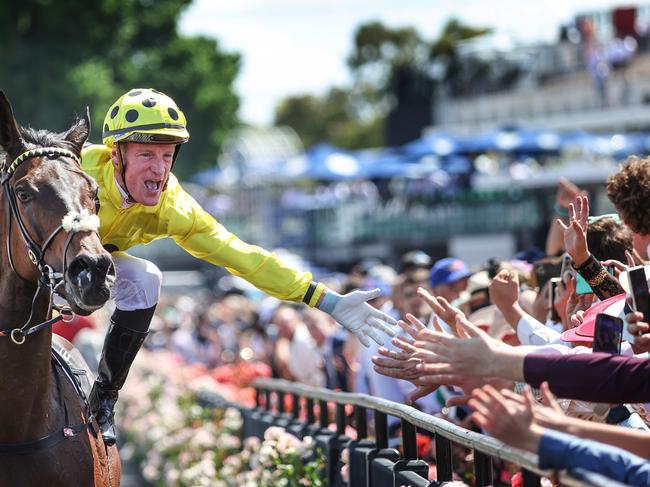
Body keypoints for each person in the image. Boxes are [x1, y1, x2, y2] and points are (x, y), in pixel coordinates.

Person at [82, 88, 397, 445]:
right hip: (39, 254)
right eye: (146, 154)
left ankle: (105, 398)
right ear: (115, 155)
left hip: (93, 263)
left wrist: (327, 300)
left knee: (147, 277)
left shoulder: (175, 208)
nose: (159, 169)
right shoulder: (76, 168)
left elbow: (244, 257)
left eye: (167, 155)